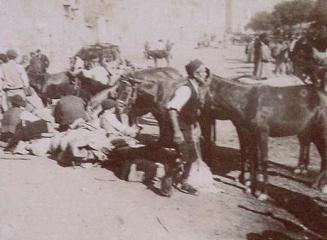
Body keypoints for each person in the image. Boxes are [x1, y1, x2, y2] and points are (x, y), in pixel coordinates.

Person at [165, 59, 210, 195]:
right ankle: (166, 181)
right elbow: (172, 110)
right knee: (182, 157)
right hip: (180, 128)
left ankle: (183, 181)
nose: (206, 75)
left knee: (191, 157)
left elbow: (191, 111)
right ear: (195, 74)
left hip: (187, 127)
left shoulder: (195, 87)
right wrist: (177, 131)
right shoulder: (185, 89)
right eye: (204, 72)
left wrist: (196, 125)